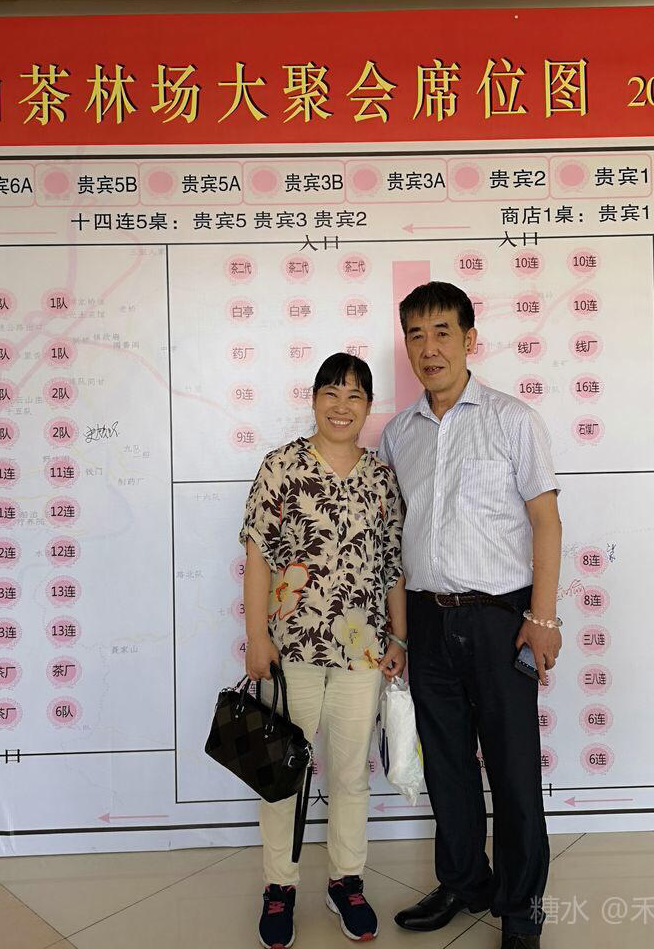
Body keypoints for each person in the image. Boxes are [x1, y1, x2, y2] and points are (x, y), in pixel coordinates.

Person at [379, 282, 562, 949]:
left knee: (513, 771)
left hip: (499, 619)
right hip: (427, 621)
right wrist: (400, 633)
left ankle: (520, 909)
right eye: (416, 335)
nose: (429, 348)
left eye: (442, 333)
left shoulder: (513, 420)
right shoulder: (398, 435)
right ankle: (463, 882)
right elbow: (395, 538)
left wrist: (542, 618)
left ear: (469, 340)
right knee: (447, 766)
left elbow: (546, 521)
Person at [240, 352, 407, 949]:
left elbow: (391, 565)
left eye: (355, 395)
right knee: (282, 773)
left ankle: (346, 882)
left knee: (350, 776)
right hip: (292, 652)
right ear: (314, 399)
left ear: (368, 406)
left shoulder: (381, 477)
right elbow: (257, 553)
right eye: (331, 393)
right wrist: (258, 637)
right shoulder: (281, 466)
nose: (342, 406)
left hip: (364, 656)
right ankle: (279, 887)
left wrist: (400, 637)